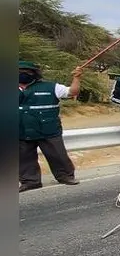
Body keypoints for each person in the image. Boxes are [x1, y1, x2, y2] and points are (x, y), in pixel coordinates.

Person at [19, 60, 83, 192]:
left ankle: (66, 176)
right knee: (24, 158)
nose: (22, 74)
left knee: (58, 155)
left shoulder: (51, 87)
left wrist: (77, 78)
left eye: (26, 72)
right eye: (19, 72)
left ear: (34, 74)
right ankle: (30, 181)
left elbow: (72, 92)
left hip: (48, 130)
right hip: (20, 131)